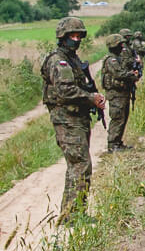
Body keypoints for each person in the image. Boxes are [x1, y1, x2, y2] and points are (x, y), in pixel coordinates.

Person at [41, 16, 103, 224]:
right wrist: (91, 98)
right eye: (72, 36)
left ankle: (71, 214)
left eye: (79, 36)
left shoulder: (72, 59)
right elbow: (66, 90)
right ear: (63, 37)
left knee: (77, 166)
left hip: (76, 118)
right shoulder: (59, 61)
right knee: (80, 165)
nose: (76, 39)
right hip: (67, 119)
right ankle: (74, 215)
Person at [101, 29, 142, 152]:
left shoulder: (117, 58)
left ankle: (118, 143)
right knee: (118, 118)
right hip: (116, 94)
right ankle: (113, 144)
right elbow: (120, 74)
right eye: (120, 44)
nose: (122, 46)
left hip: (122, 93)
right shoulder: (111, 60)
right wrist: (133, 75)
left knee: (123, 117)